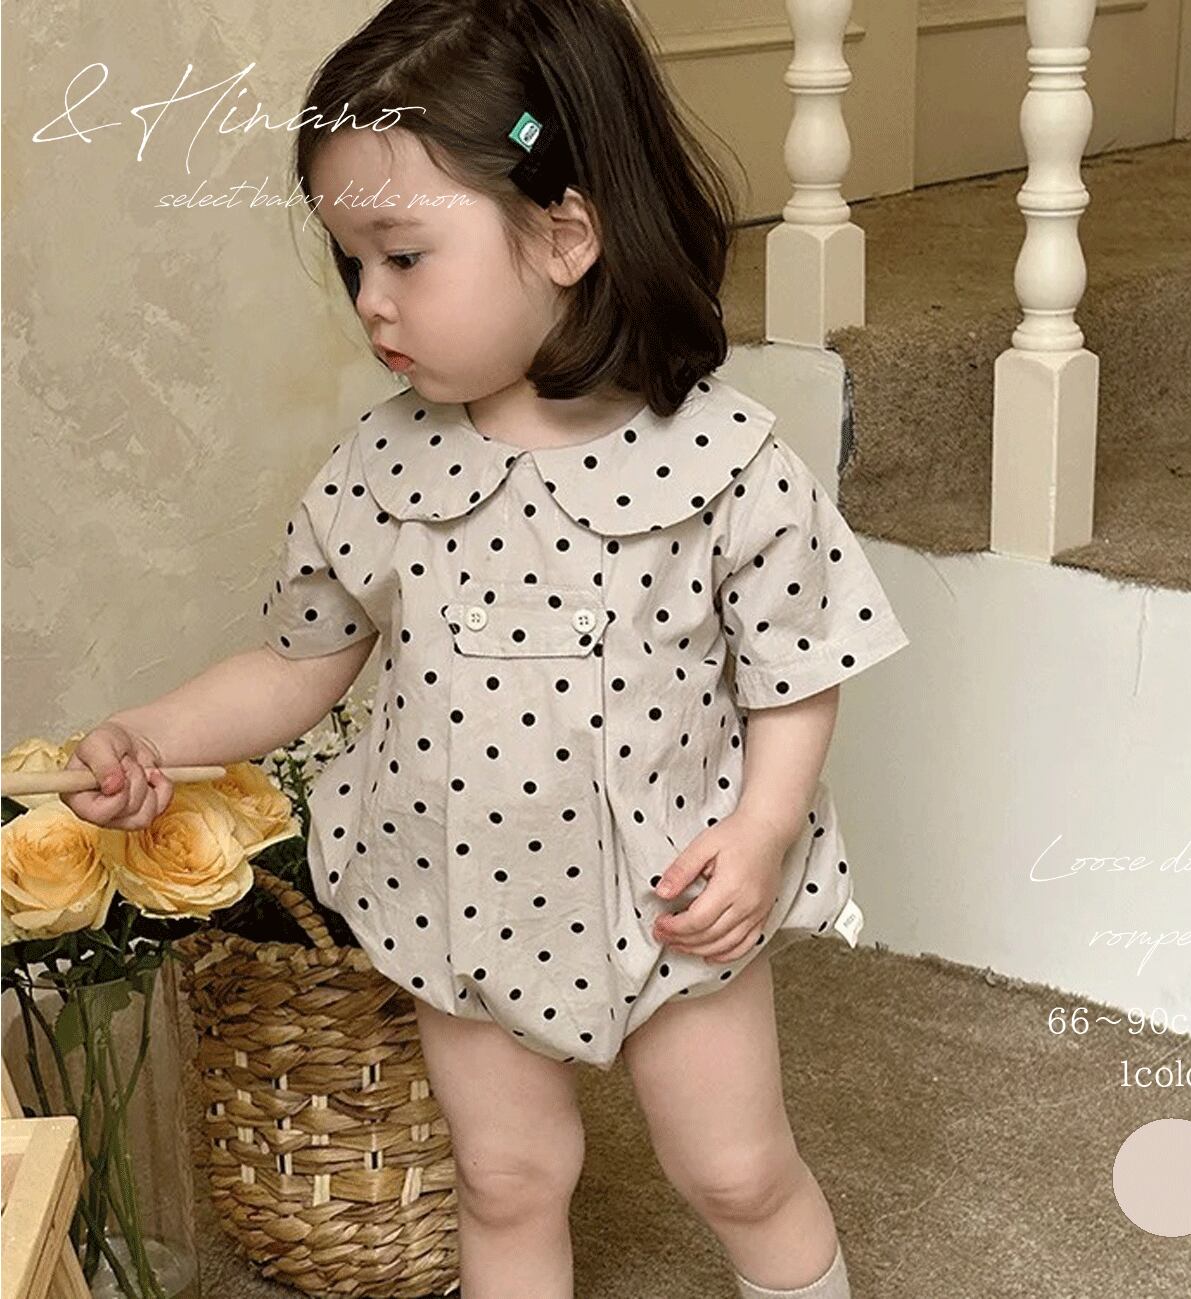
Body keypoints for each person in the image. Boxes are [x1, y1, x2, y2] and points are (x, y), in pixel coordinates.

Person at [62, 3, 911, 1296]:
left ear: (565, 235)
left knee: (736, 1170)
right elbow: (297, 662)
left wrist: (762, 829)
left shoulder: (721, 460)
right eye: (352, 263)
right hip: (457, 895)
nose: (371, 303)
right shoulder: (381, 465)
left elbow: (797, 669)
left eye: (403, 256)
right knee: (508, 1181)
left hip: (674, 898)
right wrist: (148, 739)